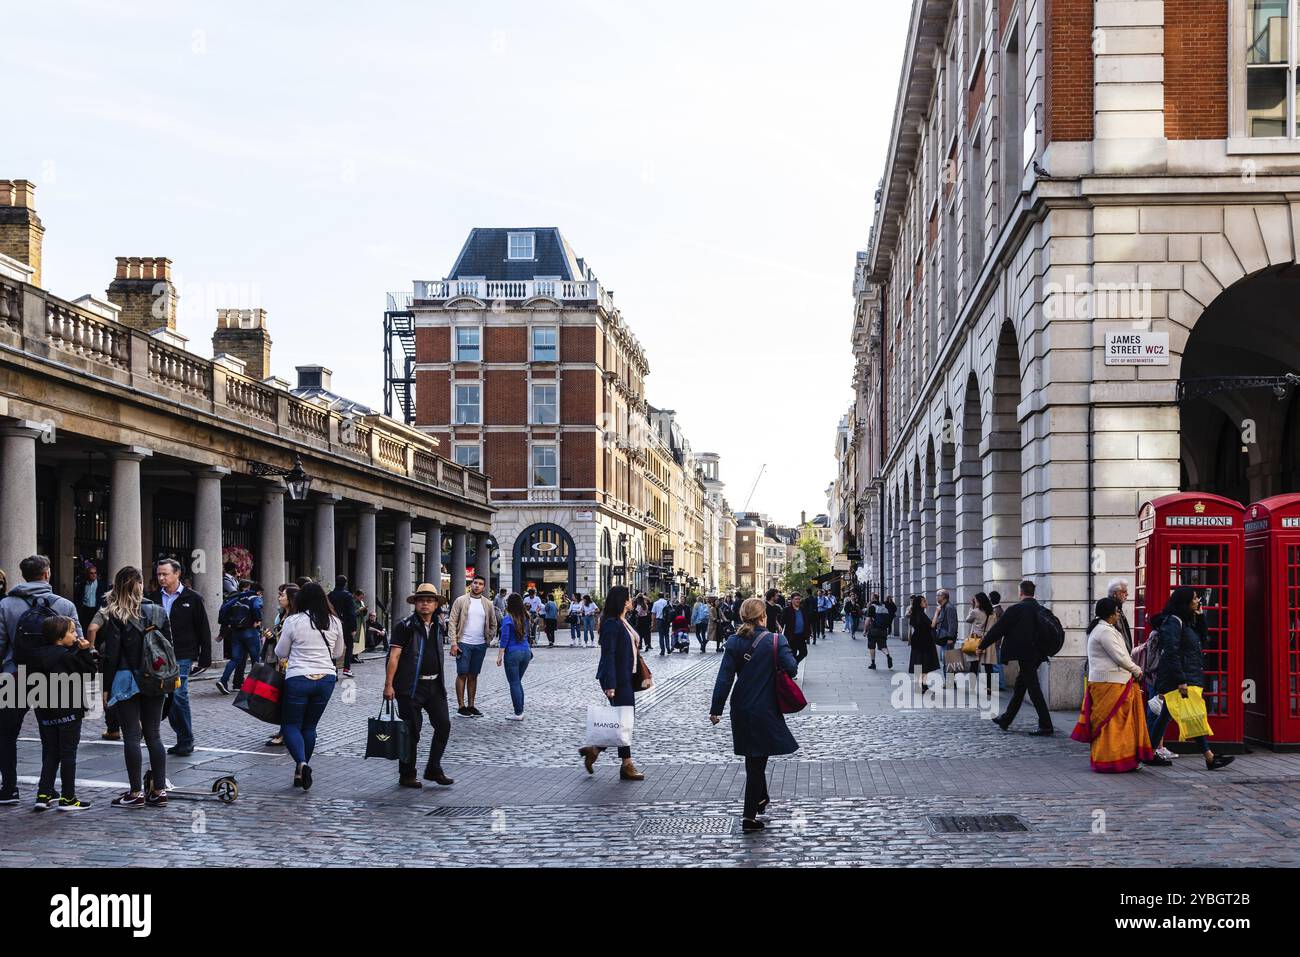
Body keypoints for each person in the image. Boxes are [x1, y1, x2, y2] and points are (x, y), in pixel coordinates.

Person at [709, 596, 799, 834]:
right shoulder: (775, 640)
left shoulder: (733, 642)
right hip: (766, 708)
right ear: (763, 616)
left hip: (741, 708)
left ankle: (761, 798)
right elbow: (792, 668)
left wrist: (716, 709)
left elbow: (724, 677)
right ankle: (749, 817)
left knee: (754, 758)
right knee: (756, 762)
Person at [0, 555, 83, 805]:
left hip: (15, 675)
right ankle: (47, 788)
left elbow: (1, 644)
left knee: (6, 734)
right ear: (47, 574)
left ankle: (10, 788)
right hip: (54, 676)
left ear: (24, 576)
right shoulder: (64, 605)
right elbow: (77, 642)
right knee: (52, 732)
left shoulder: (5, 605)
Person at [97, 566, 172, 808]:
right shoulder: (159, 611)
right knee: (154, 735)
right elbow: (169, 647)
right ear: (141, 584)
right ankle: (159, 790)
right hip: (156, 677)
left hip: (125, 678)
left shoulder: (116, 614)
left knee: (131, 735)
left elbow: (112, 655)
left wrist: (106, 687)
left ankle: (135, 793)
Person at [1145, 587, 1234, 771]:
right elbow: (1171, 652)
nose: (1197, 601)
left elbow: (1202, 640)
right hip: (1180, 678)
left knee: (1165, 716)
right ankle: (1209, 757)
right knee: (1194, 714)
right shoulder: (1173, 622)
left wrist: (1200, 617)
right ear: (1185, 602)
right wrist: (1181, 680)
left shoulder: (1186, 621)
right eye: (1194, 598)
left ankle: (1150, 753)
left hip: (1188, 674)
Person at [274, 581, 345, 790]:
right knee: (310, 726)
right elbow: (338, 653)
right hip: (325, 678)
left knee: (291, 725)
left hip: (298, 677)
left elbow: (281, 652)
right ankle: (302, 768)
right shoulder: (334, 622)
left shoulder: (294, 621)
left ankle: (301, 763)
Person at [1070, 597, 1153, 773]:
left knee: (1119, 726)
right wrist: (1137, 670)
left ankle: (1121, 759)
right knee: (1111, 725)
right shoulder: (1104, 632)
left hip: (1114, 681)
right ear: (1109, 614)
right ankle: (1109, 760)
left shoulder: (1105, 629)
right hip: (1109, 681)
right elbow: (1120, 656)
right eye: (1116, 611)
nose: (1118, 614)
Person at [23, 615, 97, 811]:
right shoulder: (67, 657)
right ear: (59, 636)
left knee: (51, 753)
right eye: (71, 631)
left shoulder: (35, 655)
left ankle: (43, 794)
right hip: (69, 712)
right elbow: (89, 673)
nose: (75, 635)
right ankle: (68, 797)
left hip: (45, 713)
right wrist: (85, 651)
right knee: (68, 753)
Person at [384, 584, 454, 787]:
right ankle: (407, 774)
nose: (425, 603)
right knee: (411, 731)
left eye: (429, 600)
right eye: (421, 600)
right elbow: (394, 657)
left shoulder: (439, 625)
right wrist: (389, 685)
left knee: (443, 725)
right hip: (410, 687)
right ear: (415, 603)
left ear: (435, 605)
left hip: (435, 685)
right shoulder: (404, 626)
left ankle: (433, 768)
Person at [578, 586, 646, 781]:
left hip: (626, 676)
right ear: (622, 601)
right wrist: (610, 684)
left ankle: (594, 750)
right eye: (629, 597)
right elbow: (608, 654)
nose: (631, 600)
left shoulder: (624, 621)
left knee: (622, 720)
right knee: (625, 720)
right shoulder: (611, 623)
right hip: (616, 678)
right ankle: (626, 764)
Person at [149, 558, 212, 756]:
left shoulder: (192, 598)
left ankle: (186, 739)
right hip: (158, 655)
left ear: (177, 574)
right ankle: (182, 738)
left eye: (165, 574)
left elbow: (203, 628)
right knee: (169, 695)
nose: (161, 578)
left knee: (178, 694)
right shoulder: (152, 599)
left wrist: (205, 657)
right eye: (159, 574)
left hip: (183, 654)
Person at [980, 581, 1054, 735]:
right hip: (1038, 654)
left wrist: (982, 645)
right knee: (1020, 687)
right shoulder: (1040, 609)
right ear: (1033, 593)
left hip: (1025, 654)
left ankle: (1046, 725)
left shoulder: (1017, 609)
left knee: (1033, 689)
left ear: (1021, 592)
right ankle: (1006, 719)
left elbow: (998, 629)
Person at [448, 574, 499, 718]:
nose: (477, 585)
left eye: (480, 584)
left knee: (473, 675)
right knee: (462, 673)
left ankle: (471, 705)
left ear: (484, 587)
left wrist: (487, 640)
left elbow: (494, 623)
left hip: (480, 644)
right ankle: (461, 706)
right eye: (475, 583)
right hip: (463, 643)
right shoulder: (461, 600)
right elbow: (452, 622)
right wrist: (453, 643)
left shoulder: (488, 604)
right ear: (471, 584)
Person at [261, 583, 299, 748]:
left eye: (282, 595)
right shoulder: (283, 614)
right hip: (279, 660)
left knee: (286, 698)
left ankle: (285, 733)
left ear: (291, 599)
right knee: (280, 696)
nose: (279, 597)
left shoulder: (295, 617)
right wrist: (270, 637)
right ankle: (284, 730)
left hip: (289, 663)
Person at [214, 580, 263, 697]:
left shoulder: (238, 597)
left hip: (236, 632)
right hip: (250, 631)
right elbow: (256, 607)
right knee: (256, 659)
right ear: (259, 592)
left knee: (235, 659)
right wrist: (258, 620)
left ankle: (223, 681)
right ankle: (254, 687)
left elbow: (225, 609)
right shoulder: (255, 598)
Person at [496, 594, 533, 721]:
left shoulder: (508, 618)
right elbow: (528, 635)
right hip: (526, 652)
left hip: (512, 653)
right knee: (517, 682)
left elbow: (504, 639)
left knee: (514, 683)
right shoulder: (526, 616)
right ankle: (520, 710)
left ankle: (518, 713)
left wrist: (499, 656)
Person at [964, 593, 998, 696]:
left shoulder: (975, 611)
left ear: (978, 601)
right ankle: (989, 688)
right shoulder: (992, 612)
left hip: (975, 638)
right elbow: (995, 624)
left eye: (975, 600)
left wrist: (973, 607)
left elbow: (967, 620)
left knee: (974, 664)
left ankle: (972, 687)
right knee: (988, 666)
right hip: (988, 639)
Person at [328, 576, 359, 678]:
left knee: (333, 647)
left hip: (332, 624)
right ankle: (346, 668)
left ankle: (334, 670)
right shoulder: (347, 596)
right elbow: (351, 613)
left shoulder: (330, 595)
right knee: (349, 646)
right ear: (345, 583)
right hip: (346, 625)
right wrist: (354, 628)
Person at [907, 595, 940, 691]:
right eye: (924, 601)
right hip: (925, 640)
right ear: (920, 604)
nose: (926, 602)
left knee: (918, 662)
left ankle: (919, 685)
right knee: (925, 663)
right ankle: (924, 686)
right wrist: (937, 613)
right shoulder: (921, 614)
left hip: (916, 639)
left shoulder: (914, 614)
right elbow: (932, 625)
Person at [932, 588, 959, 668]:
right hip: (943, 638)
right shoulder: (942, 607)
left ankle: (950, 680)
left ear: (943, 596)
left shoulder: (949, 607)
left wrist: (950, 638)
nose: (936, 597)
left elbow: (952, 624)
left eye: (938, 595)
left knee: (948, 661)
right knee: (945, 661)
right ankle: (948, 679)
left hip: (947, 638)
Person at [781, 592, 811, 665]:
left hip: (801, 636)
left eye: (799, 599)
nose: (798, 601)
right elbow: (782, 623)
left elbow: (807, 621)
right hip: (792, 636)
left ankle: (794, 665)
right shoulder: (787, 610)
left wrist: (809, 632)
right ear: (792, 600)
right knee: (793, 654)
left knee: (804, 653)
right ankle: (792, 673)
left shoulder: (803, 609)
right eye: (796, 599)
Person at [73, 562, 104, 633]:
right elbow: (77, 596)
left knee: (96, 629)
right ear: (87, 574)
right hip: (85, 609)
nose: (94, 575)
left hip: (96, 610)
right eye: (91, 573)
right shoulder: (82, 584)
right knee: (84, 627)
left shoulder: (101, 584)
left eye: (95, 573)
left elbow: (104, 598)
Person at [867, 595, 894, 670]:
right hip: (883, 630)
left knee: (872, 646)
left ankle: (873, 663)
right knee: (883, 646)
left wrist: (865, 630)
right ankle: (888, 655)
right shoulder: (883, 606)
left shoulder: (872, 607)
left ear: (873, 598)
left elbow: (868, 620)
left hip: (874, 630)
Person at [1108, 578, 1134, 653]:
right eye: (1124, 591)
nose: (1127, 594)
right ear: (1115, 594)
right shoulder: (1111, 610)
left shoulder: (1118, 608)